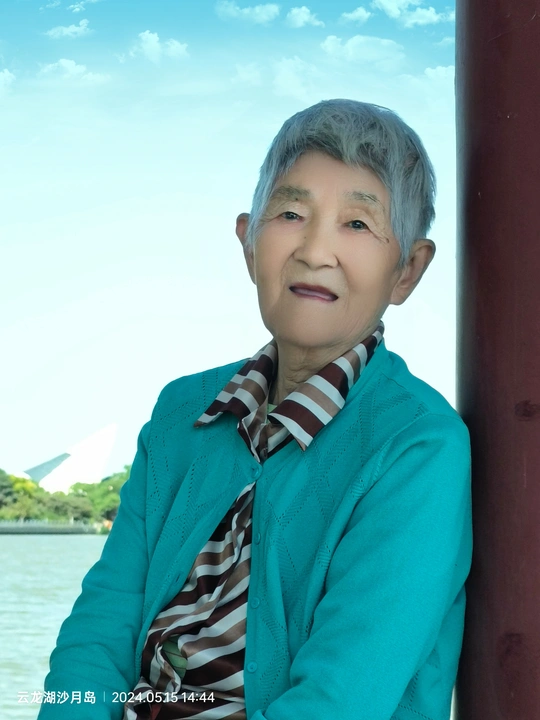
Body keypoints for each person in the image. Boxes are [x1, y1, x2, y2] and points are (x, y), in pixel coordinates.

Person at [38, 98, 473, 720]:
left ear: (407, 270)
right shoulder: (181, 413)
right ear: (248, 242)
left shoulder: (417, 447)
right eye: (291, 214)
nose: (315, 250)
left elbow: (340, 701)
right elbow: (102, 624)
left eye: (357, 223)